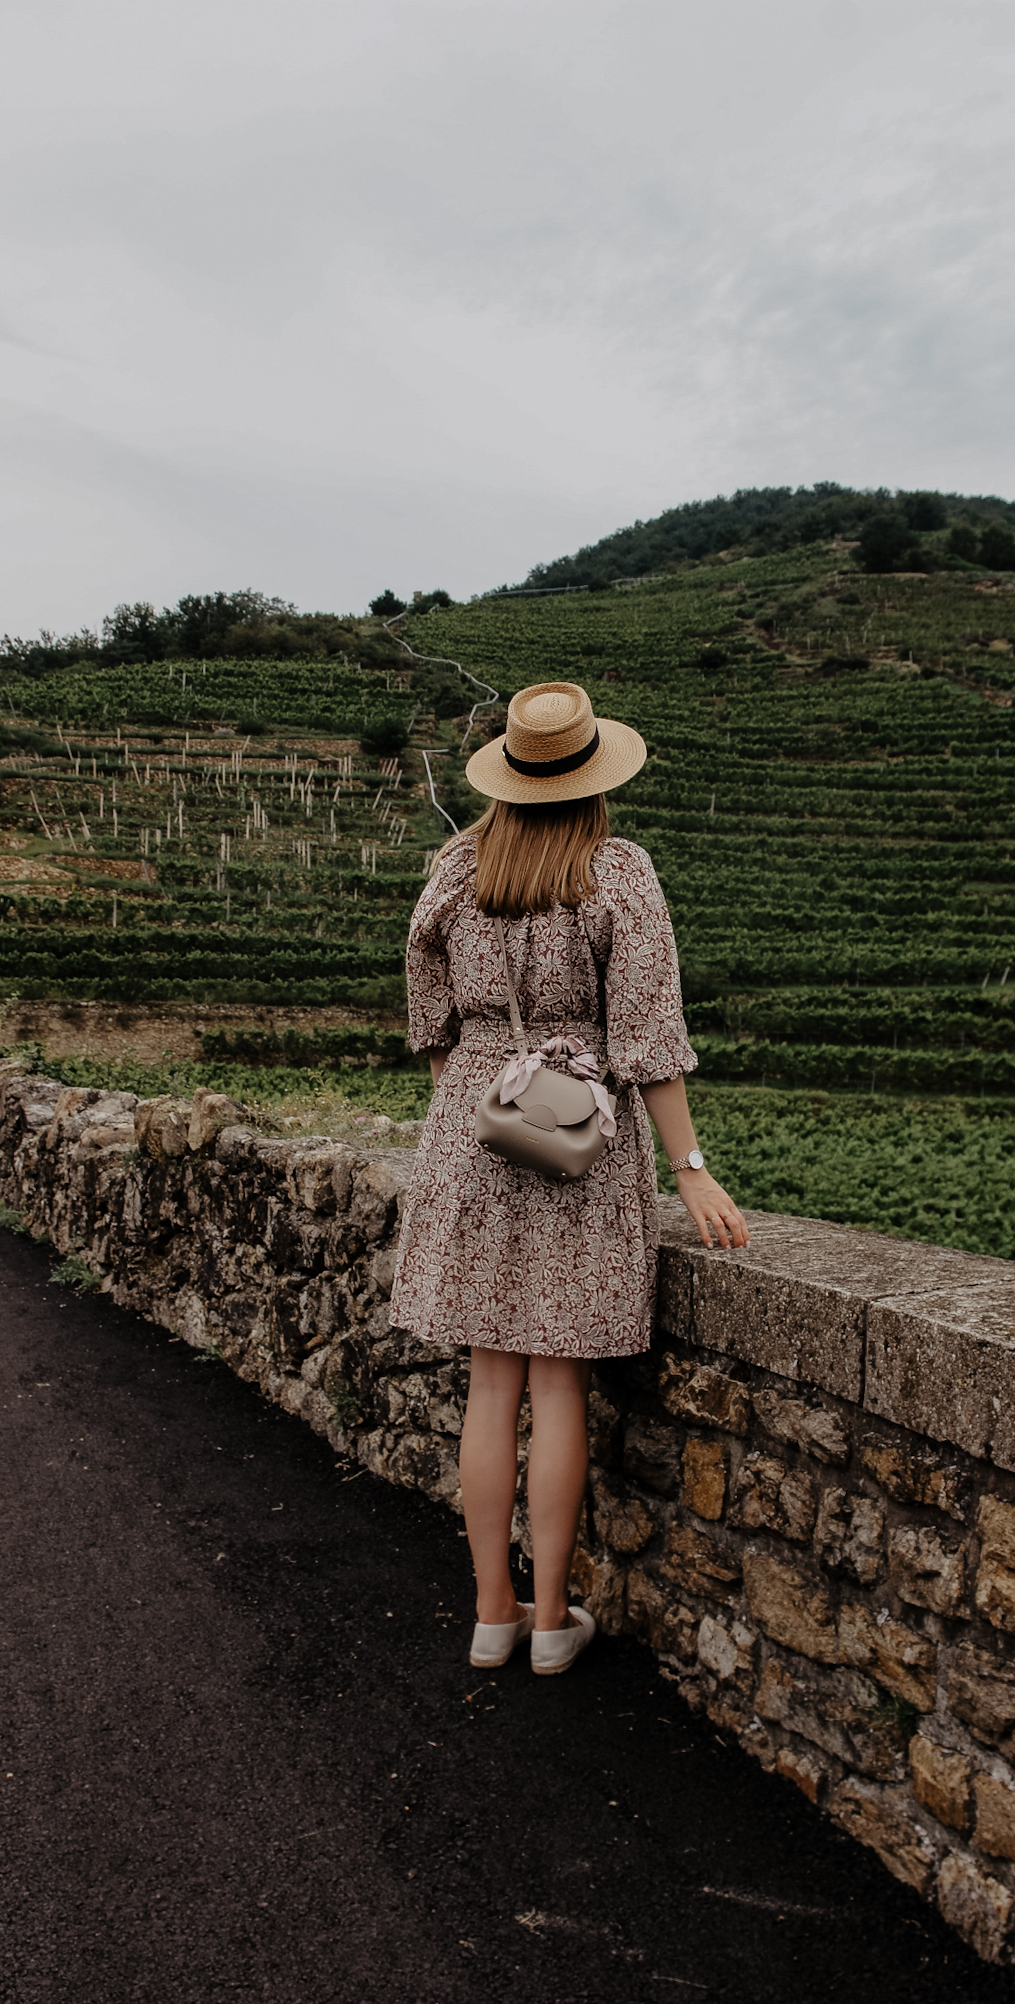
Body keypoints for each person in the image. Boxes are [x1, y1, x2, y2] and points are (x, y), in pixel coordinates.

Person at [389, 681, 750, 1678]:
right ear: (593, 778)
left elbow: (429, 1017)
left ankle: (488, 1614)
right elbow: (646, 1039)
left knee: (488, 1382)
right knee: (558, 1385)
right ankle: (553, 1620)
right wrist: (691, 1171)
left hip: (472, 1123)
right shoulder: (615, 872)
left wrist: (475, 1100)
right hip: (578, 1133)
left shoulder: (454, 872)